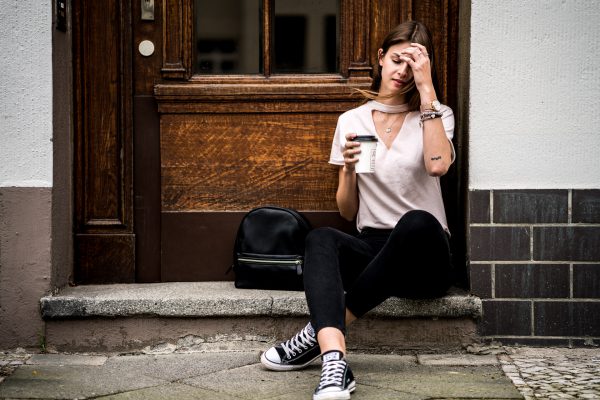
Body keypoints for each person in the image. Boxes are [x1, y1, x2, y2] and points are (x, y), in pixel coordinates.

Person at [260, 20, 455, 400]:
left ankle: (314, 333)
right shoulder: (353, 122)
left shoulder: (435, 115)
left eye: (413, 66)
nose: (402, 72)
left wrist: (428, 89)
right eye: (397, 60)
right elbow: (347, 212)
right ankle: (334, 361)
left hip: (425, 253)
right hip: (374, 247)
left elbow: (437, 165)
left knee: (416, 222)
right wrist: (348, 169)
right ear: (381, 58)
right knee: (320, 238)